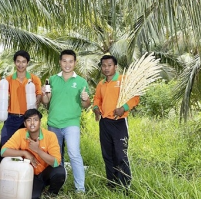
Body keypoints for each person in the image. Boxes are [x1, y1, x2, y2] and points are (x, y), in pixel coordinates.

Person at [41, 49, 90, 193]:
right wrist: (44, 94)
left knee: (74, 154)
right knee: (57, 156)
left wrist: (85, 99)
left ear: (75, 63)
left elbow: (86, 105)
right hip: (54, 123)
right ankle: (57, 185)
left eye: (70, 61)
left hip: (71, 124)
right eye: (64, 61)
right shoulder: (52, 79)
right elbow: (45, 102)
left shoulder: (81, 81)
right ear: (60, 62)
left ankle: (80, 189)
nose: (67, 64)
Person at [93, 55, 139, 189]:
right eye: (104, 65)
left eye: (109, 65)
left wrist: (123, 108)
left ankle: (125, 185)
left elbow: (135, 97)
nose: (106, 68)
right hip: (105, 122)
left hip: (119, 122)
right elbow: (97, 100)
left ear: (115, 66)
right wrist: (96, 109)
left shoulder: (124, 80)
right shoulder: (101, 84)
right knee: (107, 154)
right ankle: (112, 183)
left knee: (120, 153)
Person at [1, 109, 66, 199]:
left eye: (35, 120)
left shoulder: (50, 136)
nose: (32, 123)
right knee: (33, 197)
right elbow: (3, 151)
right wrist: (25, 153)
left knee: (60, 172)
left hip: (45, 173)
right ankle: (38, 188)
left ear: (40, 122)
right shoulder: (20, 133)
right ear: (24, 124)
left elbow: (56, 162)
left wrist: (38, 150)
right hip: (28, 175)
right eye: (29, 120)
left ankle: (51, 194)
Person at [0, 50, 42, 166]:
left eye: (23, 62)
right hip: (11, 117)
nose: (21, 65)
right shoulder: (8, 80)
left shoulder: (34, 79)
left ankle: (28, 174)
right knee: (5, 144)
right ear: (14, 62)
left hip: (28, 119)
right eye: (18, 61)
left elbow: (39, 94)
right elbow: (1, 96)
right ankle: (3, 172)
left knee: (28, 145)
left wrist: (38, 98)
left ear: (27, 63)